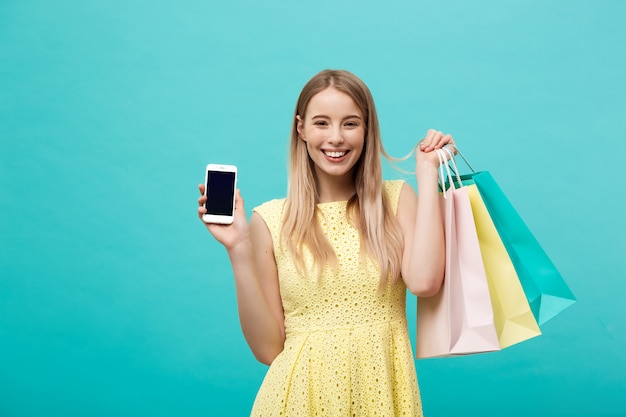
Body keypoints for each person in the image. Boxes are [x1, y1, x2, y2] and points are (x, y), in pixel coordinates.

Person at [197, 69, 455, 416]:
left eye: (350, 123)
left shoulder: (396, 201)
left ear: (367, 130)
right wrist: (238, 249)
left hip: (380, 399)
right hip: (296, 402)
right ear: (300, 128)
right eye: (322, 123)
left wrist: (427, 174)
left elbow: (424, 282)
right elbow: (268, 350)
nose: (335, 138)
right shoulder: (270, 221)